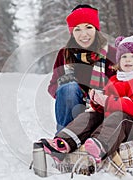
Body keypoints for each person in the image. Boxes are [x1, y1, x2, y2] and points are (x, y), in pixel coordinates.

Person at [41, 30, 133, 164]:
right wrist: (96, 100)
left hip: (130, 125)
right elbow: (104, 104)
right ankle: (62, 143)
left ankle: (99, 146)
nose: (128, 59)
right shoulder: (114, 80)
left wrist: (106, 101)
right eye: (124, 56)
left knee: (118, 116)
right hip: (107, 120)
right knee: (89, 116)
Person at [48, 4, 116, 132]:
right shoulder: (65, 54)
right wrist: (66, 91)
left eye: (88, 27)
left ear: (96, 29)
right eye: (77, 29)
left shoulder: (111, 54)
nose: (83, 34)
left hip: (103, 108)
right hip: (73, 110)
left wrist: (98, 96)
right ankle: (66, 138)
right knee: (68, 88)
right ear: (72, 33)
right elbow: (52, 86)